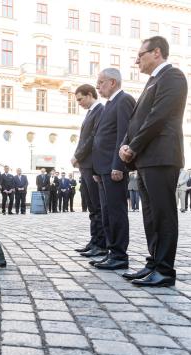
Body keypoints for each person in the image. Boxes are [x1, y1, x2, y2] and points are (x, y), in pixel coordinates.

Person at [119, 36, 188, 287]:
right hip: (148, 158)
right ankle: (154, 263)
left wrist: (133, 146)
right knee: (150, 215)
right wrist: (127, 145)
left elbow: (158, 116)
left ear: (156, 53)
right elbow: (138, 118)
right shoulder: (153, 81)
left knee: (163, 214)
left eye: (141, 54)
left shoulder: (173, 76)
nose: (137, 60)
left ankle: (165, 270)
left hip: (161, 155)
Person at [90, 67, 135, 270]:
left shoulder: (123, 100)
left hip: (113, 167)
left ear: (112, 82)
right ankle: (111, 252)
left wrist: (119, 165)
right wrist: (96, 169)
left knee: (116, 212)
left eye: (100, 83)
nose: (98, 87)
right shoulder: (109, 104)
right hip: (103, 168)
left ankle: (119, 255)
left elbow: (124, 135)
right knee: (107, 212)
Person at [71, 83, 106, 256]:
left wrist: (78, 155)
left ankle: (100, 244)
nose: (79, 103)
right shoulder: (91, 112)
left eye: (80, 99)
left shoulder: (99, 110)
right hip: (85, 164)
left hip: (92, 165)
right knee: (92, 207)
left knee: (97, 207)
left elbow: (93, 137)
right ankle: (94, 241)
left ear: (90, 94)